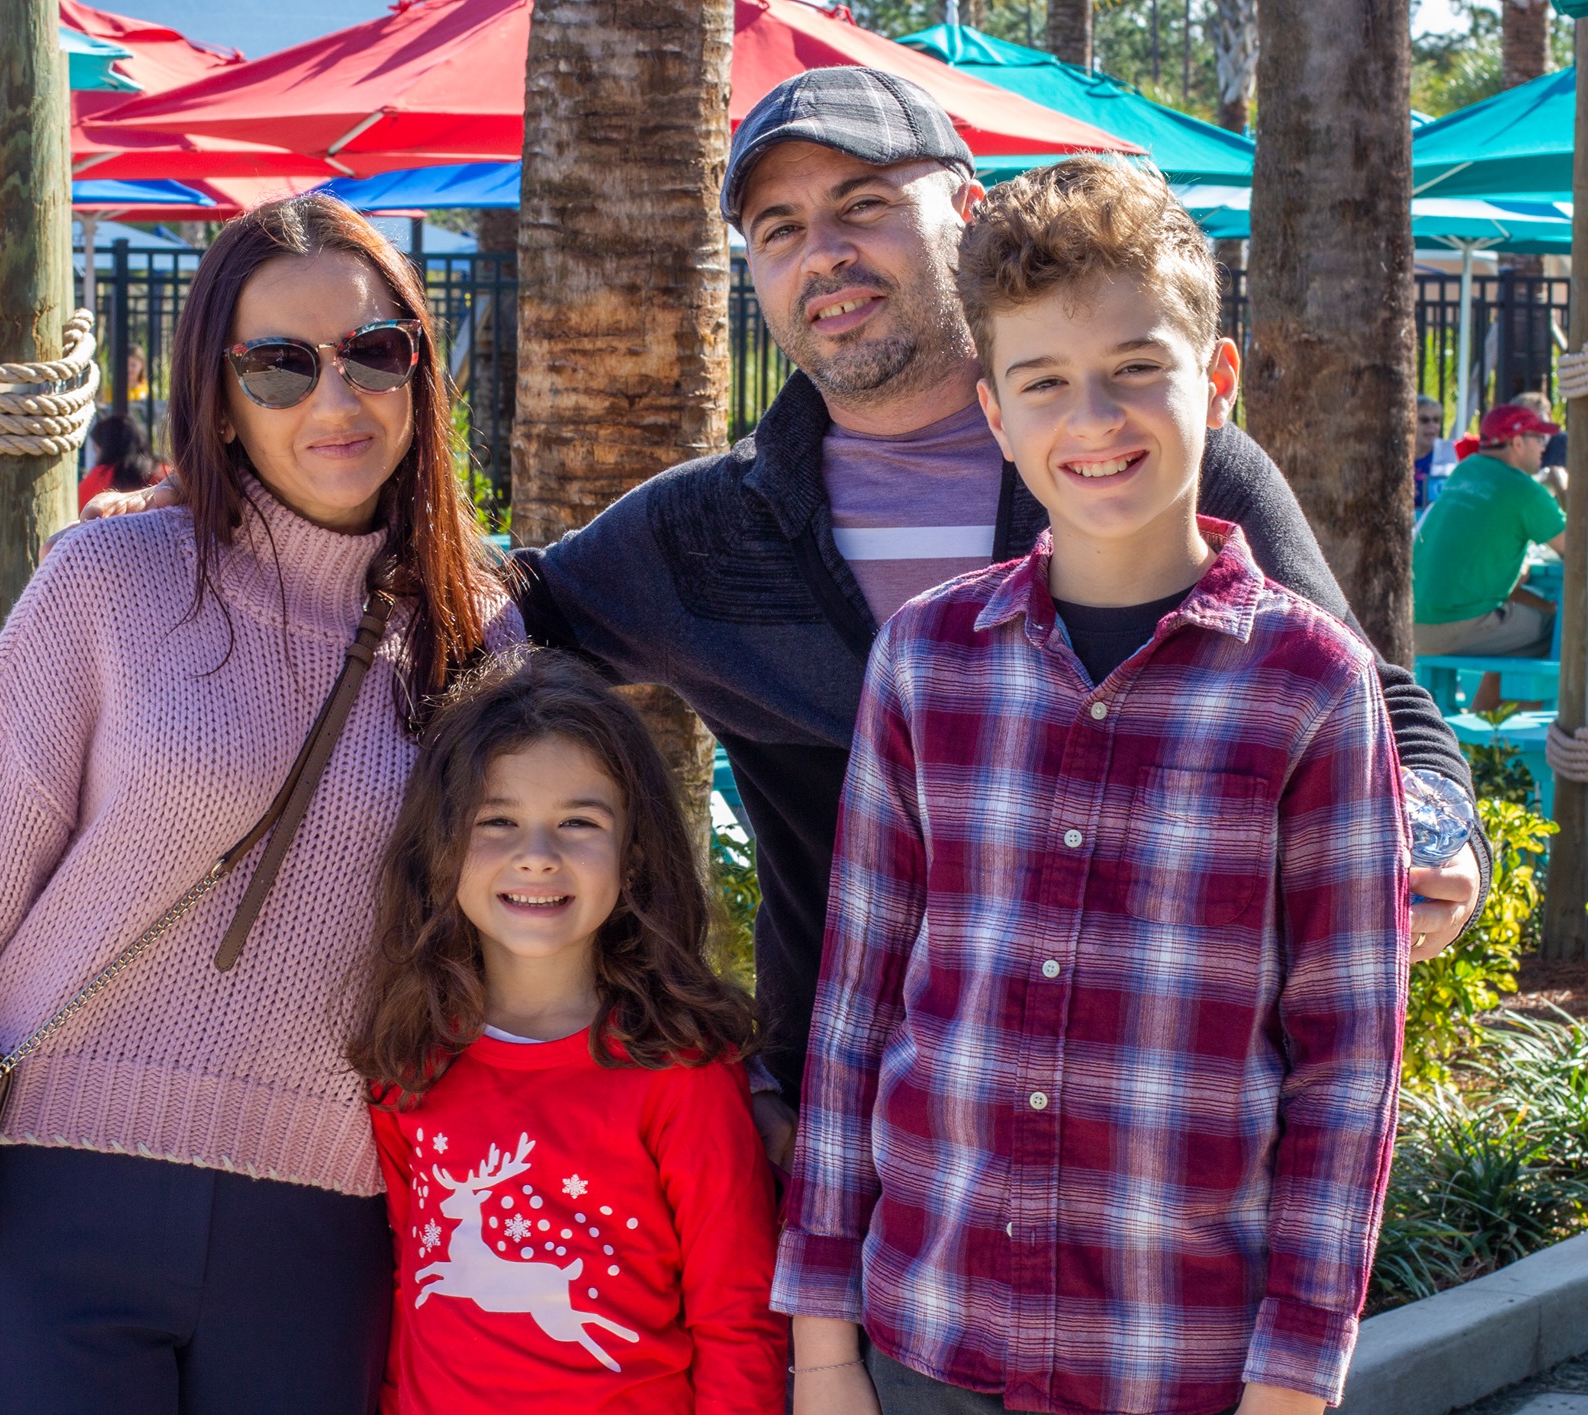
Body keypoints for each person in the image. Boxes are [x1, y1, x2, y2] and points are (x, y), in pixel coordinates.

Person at [90, 68, 1485, 1130]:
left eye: (867, 206)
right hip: (855, 1127)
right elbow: (494, 611)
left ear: (971, 212)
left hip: (1157, 1121)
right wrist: (248, 520)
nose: (827, 254)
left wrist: (1430, 835)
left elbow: (1379, 712)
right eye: (780, 229)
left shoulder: (1153, 458)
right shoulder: (710, 527)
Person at [0, 195, 514, 1414]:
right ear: (216, 397)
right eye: (279, 363)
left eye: (374, 351)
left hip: (327, 1222)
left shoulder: (485, 636)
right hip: (51, 1195)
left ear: (418, 372)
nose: (336, 397)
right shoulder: (111, 582)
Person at [780, 158, 1408, 1415]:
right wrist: (822, 1344)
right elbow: (853, 1008)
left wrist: (1292, 1381)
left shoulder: (1312, 683)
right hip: (923, 1335)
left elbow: (1346, 1069)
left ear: (1213, 382)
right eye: (1043, 384)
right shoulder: (923, 659)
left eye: (1134, 369)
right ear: (996, 417)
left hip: (1177, 1358)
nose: (1093, 419)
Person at [351, 649, 784, 1414]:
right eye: (499, 821)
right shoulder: (409, 1060)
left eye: (578, 822)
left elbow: (737, 1319)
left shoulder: (681, 1073)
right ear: (442, 847)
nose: (538, 856)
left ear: (634, 848)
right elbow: (404, 1297)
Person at [1413, 401, 1566, 710]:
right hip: (1456, 625)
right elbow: (1581, 555)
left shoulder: (1465, 470)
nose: (1544, 448)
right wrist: (1564, 489)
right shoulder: (1524, 490)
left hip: (1414, 624)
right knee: (1564, 634)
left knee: (1522, 634)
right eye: (1540, 439)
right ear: (1518, 442)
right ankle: (1522, 744)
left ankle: (1483, 737)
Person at [77, 413, 162, 510]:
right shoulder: (164, 474)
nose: (96, 457)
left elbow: (79, 511)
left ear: (106, 449)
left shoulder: (99, 477)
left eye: (96, 451)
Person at [1413, 393, 1443, 509]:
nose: (1432, 426)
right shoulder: (1394, 458)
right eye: (1424, 420)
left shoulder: (1446, 458)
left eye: (1436, 420)